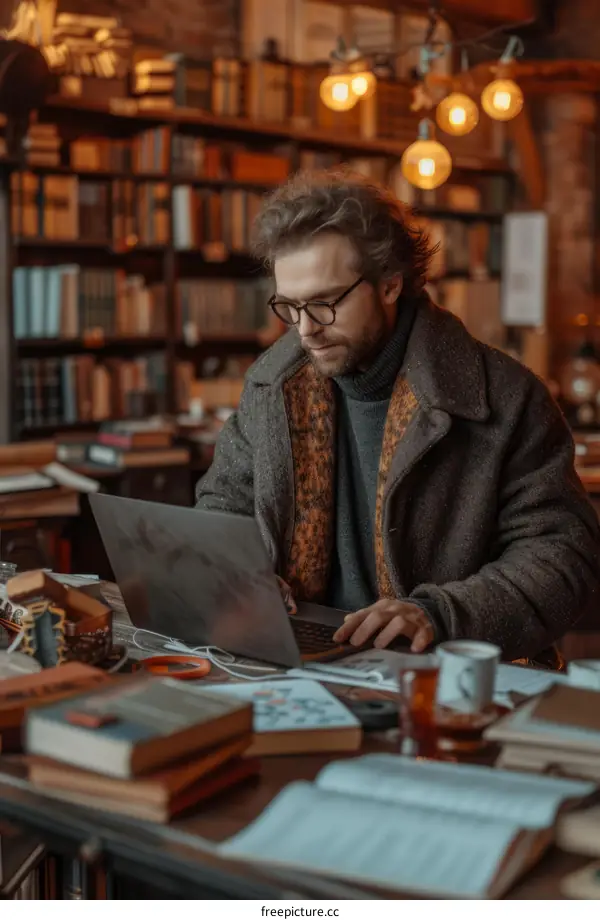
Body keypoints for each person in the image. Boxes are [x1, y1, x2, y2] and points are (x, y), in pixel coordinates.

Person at [196, 169, 600, 666]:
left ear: (390, 285)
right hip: (291, 661)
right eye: (290, 306)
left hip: (446, 672)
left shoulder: (505, 396)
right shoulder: (271, 385)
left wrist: (439, 614)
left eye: (324, 304)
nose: (305, 330)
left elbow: (563, 556)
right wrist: (243, 571)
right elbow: (223, 503)